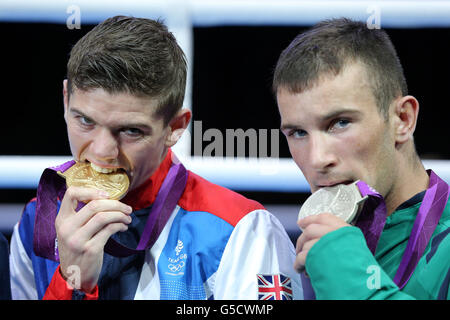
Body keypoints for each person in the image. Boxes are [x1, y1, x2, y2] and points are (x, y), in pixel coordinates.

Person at [9, 15, 302, 300]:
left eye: (130, 131)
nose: (101, 151)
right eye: (85, 121)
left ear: (175, 128)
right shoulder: (38, 222)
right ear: (65, 100)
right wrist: (73, 286)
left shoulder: (242, 232)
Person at [273, 18, 450, 299]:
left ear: (402, 119)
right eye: (297, 132)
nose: (318, 159)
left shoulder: (333, 252)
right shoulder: (311, 248)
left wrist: (348, 274)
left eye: (340, 123)